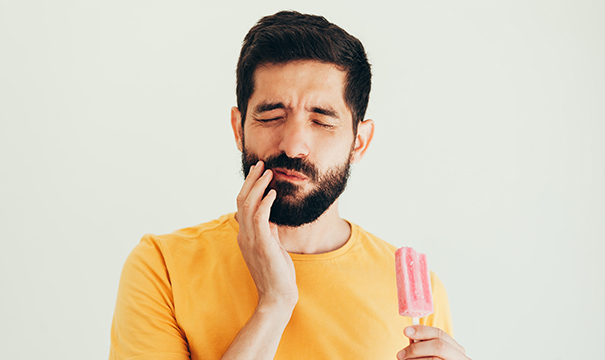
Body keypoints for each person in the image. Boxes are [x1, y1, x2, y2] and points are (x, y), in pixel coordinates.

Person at [109, 11, 470, 360]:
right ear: (238, 129)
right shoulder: (163, 268)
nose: (293, 145)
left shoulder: (420, 296)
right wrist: (274, 303)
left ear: (359, 142)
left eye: (322, 121)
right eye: (271, 116)